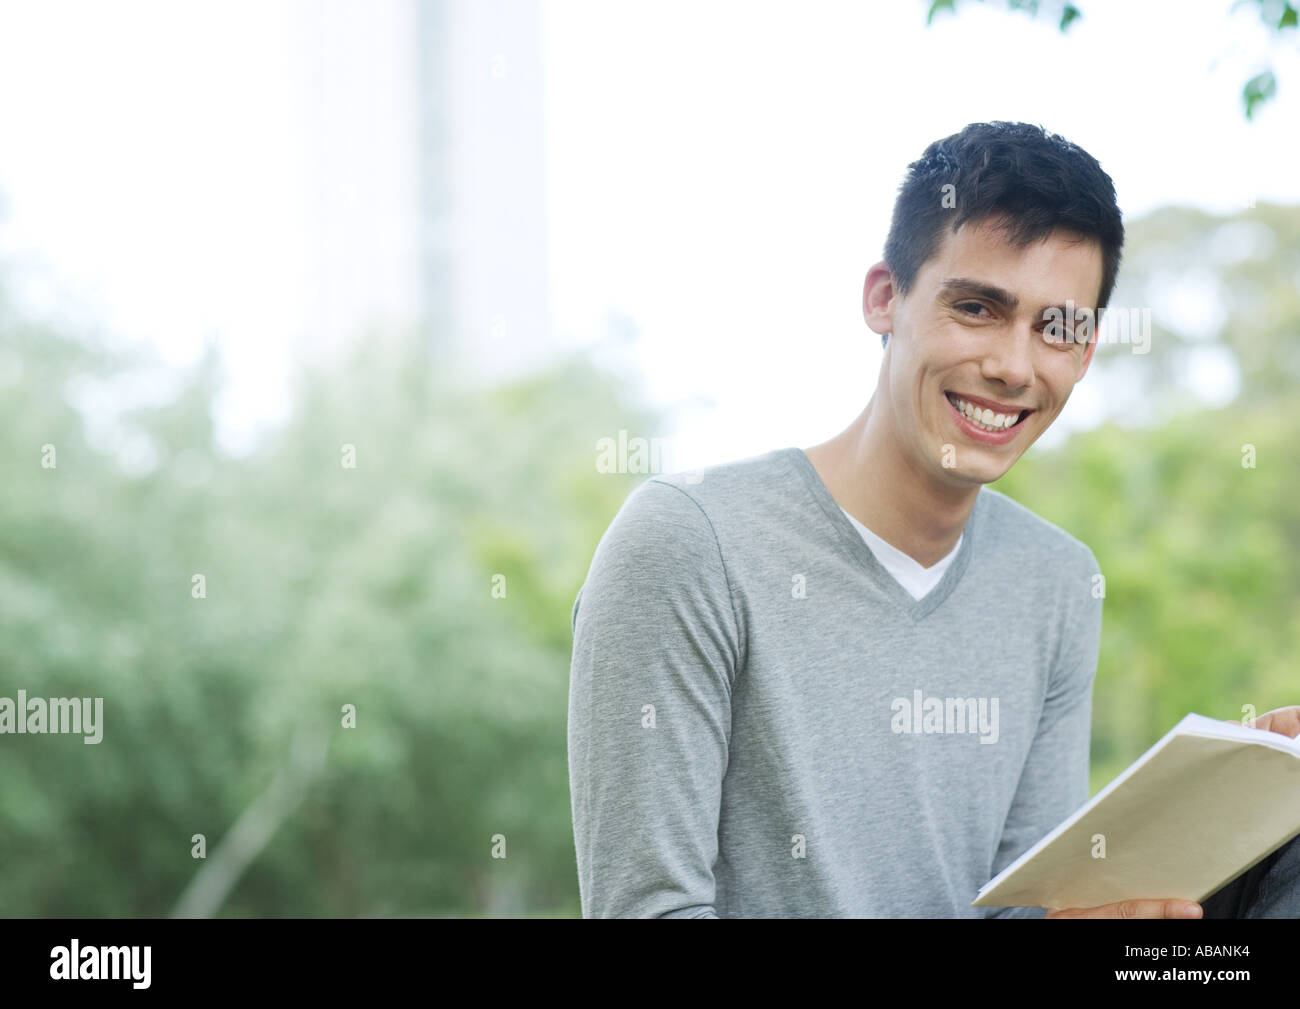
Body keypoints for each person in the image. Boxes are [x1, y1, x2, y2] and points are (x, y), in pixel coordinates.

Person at [566, 121, 1300, 918]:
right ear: (885, 299)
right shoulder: (687, 541)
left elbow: (1021, 903)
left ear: (1085, 352)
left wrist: (1211, 792)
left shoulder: (1053, 580)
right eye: (979, 308)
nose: (1014, 367)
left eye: (1058, 329)